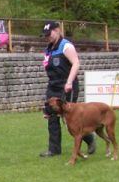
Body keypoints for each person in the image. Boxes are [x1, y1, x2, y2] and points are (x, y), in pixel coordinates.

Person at [39, 20, 95, 158]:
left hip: (67, 86)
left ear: (57, 30)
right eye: (46, 35)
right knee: (51, 116)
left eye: (50, 33)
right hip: (53, 85)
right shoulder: (49, 48)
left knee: (70, 118)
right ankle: (54, 149)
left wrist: (69, 82)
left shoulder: (66, 46)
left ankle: (89, 138)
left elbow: (76, 63)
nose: (48, 37)